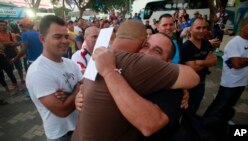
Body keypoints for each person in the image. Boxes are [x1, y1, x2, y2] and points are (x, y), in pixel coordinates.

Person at [71, 20, 199, 141]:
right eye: (146, 45)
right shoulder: (128, 67)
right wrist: (82, 96)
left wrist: (109, 72)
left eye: (157, 51)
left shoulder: (173, 91)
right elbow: (87, 86)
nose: (146, 53)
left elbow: (149, 124)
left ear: (169, 63)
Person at [26, 15, 82, 141]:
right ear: (42, 38)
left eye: (66, 36)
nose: (65, 41)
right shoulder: (38, 71)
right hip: (61, 135)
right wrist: (77, 89)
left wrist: (68, 95)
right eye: (58, 37)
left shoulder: (70, 63)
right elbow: (62, 111)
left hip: (79, 127)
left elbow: (86, 84)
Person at [203, 16, 248, 135]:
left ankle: (222, 123)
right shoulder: (235, 42)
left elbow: (241, 61)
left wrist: (245, 60)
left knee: (229, 105)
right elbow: (236, 64)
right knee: (219, 106)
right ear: (243, 26)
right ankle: (204, 127)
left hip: (242, 81)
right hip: (230, 83)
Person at [180, 17, 217, 113]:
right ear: (191, 29)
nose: (202, 31)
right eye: (198, 28)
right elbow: (192, 68)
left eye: (204, 28)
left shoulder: (207, 44)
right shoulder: (186, 47)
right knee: (185, 111)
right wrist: (207, 62)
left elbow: (214, 60)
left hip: (202, 84)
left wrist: (200, 62)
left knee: (195, 109)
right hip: (189, 87)